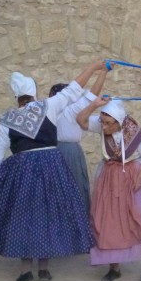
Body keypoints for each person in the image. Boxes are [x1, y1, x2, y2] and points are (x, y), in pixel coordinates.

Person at [0, 60, 108, 281]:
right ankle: (45, 269)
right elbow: (75, 89)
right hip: (52, 167)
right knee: (49, 214)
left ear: (17, 97)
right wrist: (94, 67)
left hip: (23, 171)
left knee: (24, 216)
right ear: (34, 93)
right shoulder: (48, 106)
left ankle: (26, 270)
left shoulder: (7, 119)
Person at [76, 97, 141, 281]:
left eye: (107, 124)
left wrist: (139, 179)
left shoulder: (137, 135)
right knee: (108, 221)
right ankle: (114, 267)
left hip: (132, 178)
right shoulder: (103, 125)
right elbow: (81, 120)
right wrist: (94, 105)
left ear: (118, 123)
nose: (103, 127)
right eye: (102, 123)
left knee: (138, 220)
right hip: (109, 178)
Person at [49, 69, 109, 214]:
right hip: (69, 153)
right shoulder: (70, 111)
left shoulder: (48, 111)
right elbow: (92, 95)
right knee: (75, 189)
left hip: (52, 152)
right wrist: (104, 71)